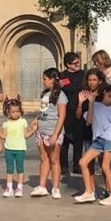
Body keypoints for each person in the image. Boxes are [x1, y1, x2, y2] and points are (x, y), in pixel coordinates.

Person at [74, 84, 111, 206]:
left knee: (105, 167)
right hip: (98, 140)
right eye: (109, 96)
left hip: (110, 140)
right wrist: (87, 102)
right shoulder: (95, 105)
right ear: (105, 92)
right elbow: (89, 120)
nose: (110, 100)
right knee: (82, 162)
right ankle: (89, 192)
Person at [30, 68, 68, 199]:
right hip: (41, 131)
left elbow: (62, 116)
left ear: (52, 80)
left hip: (52, 132)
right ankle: (42, 186)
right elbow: (44, 111)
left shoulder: (61, 96)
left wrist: (55, 135)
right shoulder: (45, 94)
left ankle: (56, 187)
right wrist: (36, 120)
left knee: (54, 159)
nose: (43, 81)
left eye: (45, 79)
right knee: (44, 158)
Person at [76, 68, 107, 195]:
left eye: (94, 80)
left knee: (103, 162)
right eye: (89, 80)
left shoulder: (104, 95)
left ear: (100, 81)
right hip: (87, 132)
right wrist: (80, 103)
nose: (92, 82)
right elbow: (78, 115)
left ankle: (108, 189)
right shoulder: (84, 93)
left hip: (100, 133)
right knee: (89, 162)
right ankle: (91, 189)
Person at [0, 96, 37, 197]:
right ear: (8, 112)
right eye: (13, 112)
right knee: (9, 169)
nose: (16, 113)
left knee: (20, 168)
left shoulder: (23, 122)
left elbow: (25, 135)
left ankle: (19, 187)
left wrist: (33, 130)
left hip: (20, 149)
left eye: (18, 111)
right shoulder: (5, 124)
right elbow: (4, 136)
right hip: (9, 150)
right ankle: (9, 187)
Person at [59, 52, 85, 176]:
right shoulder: (63, 76)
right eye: (75, 63)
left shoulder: (83, 74)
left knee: (78, 139)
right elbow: (60, 90)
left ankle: (77, 164)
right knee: (64, 139)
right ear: (68, 64)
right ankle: (63, 165)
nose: (78, 64)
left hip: (80, 110)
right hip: (66, 111)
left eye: (78, 62)